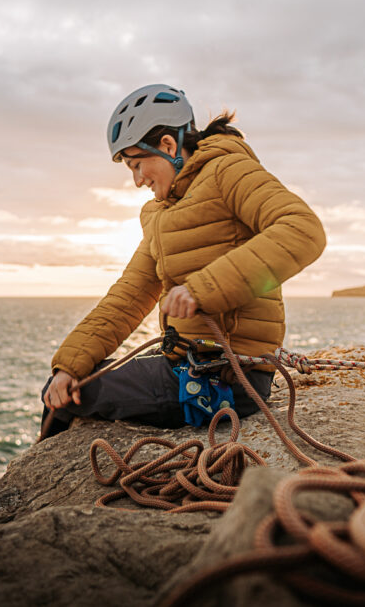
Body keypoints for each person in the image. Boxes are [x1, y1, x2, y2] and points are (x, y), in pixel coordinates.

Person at [40, 84, 325, 437]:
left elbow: (302, 229)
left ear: (168, 146)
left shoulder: (228, 171)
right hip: (190, 364)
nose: (137, 180)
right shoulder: (160, 214)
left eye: (137, 164)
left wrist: (201, 289)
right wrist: (69, 365)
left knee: (66, 400)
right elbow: (129, 296)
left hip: (228, 377)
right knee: (64, 386)